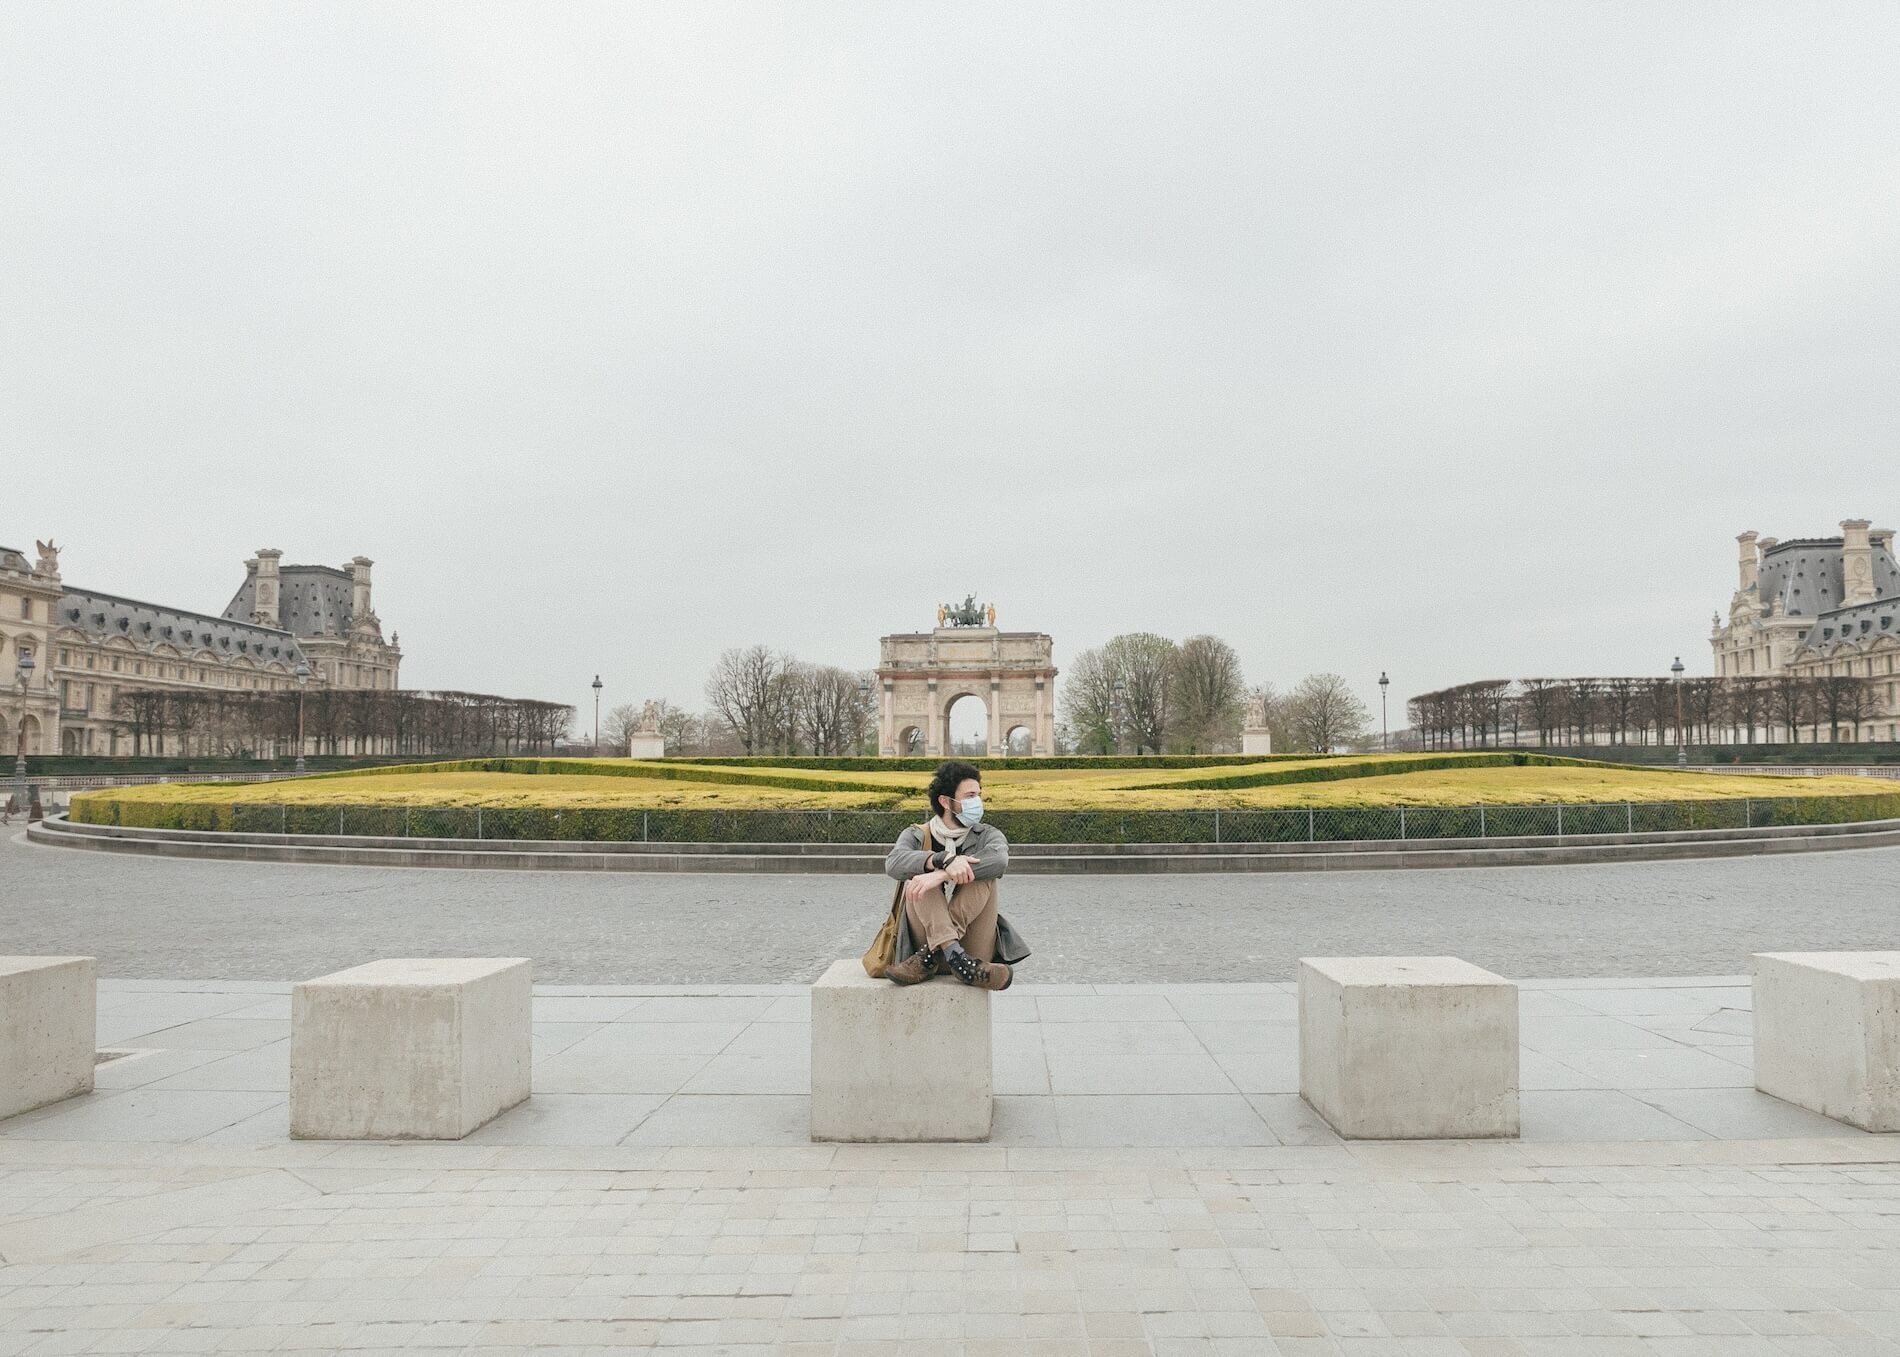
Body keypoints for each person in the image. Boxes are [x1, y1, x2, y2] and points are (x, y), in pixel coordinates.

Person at [882, 759, 1012, 989]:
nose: (977, 802)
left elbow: (1000, 861)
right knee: (919, 879)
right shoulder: (916, 834)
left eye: (978, 795)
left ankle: (942, 952)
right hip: (927, 941)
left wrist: (941, 875)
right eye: (970, 796)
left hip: (967, 949)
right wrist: (939, 860)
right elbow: (893, 863)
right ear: (945, 801)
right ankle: (955, 957)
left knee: (982, 873)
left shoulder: (987, 835)